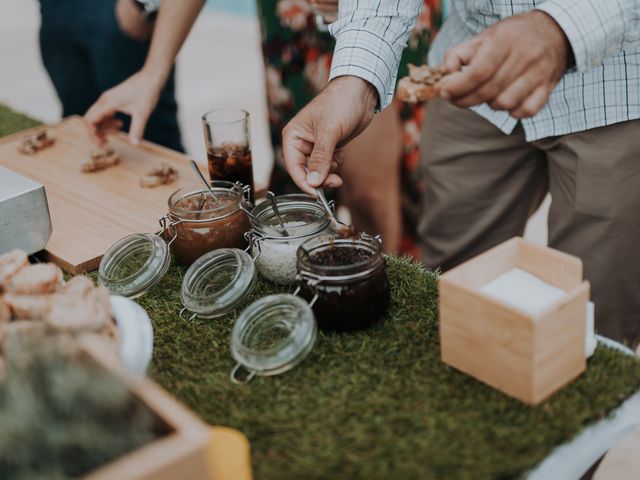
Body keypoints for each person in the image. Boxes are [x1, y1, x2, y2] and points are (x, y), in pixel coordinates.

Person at [281, 0, 640, 347]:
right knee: (450, 285)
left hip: (620, 79)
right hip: (471, 64)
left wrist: (561, 26)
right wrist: (356, 75)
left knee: (596, 315)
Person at [85, 0, 442, 256]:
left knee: (370, 190)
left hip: (382, 12)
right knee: (299, 162)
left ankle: (378, 282)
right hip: (292, 18)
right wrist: (152, 72)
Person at [39, 0, 183, 151]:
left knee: (149, 138)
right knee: (82, 132)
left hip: (118, 12)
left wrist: (144, 4)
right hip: (53, 10)